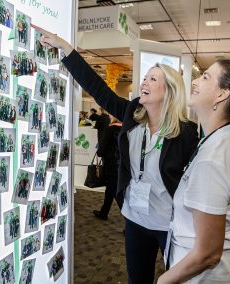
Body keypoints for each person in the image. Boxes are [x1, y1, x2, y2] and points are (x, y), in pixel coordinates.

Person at [32, 23, 199, 283]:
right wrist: (66, 48)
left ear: (169, 91)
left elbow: (195, 182)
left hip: (170, 223)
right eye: (145, 77)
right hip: (135, 218)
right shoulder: (134, 115)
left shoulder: (186, 133)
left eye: (152, 79)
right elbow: (100, 91)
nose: (143, 82)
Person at [157, 54, 230, 283]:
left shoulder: (213, 160)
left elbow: (207, 255)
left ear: (222, 94)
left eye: (205, 77)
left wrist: (163, 281)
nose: (194, 82)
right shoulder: (222, 137)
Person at [93, 114, 122, 220]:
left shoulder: (110, 129)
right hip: (122, 166)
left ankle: (130, 222)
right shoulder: (126, 129)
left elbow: (101, 151)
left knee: (115, 192)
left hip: (111, 165)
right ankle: (103, 212)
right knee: (110, 189)